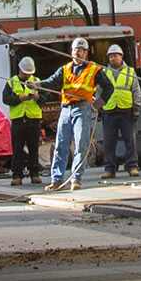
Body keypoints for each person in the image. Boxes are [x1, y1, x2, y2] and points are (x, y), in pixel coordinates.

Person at [50, 42, 103, 188]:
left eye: (81, 50)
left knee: (81, 144)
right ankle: (56, 180)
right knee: (61, 145)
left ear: (86, 53)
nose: (78, 53)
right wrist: (37, 84)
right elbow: (51, 82)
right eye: (76, 50)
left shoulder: (94, 69)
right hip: (66, 109)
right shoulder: (65, 69)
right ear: (71, 51)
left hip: (83, 107)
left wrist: (99, 103)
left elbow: (109, 87)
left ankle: (76, 179)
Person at [2, 59, 48, 185]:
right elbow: (5, 99)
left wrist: (37, 97)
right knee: (17, 149)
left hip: (33, 119)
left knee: (34, 148)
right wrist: (19, 98)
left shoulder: (37, 81)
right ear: (20, 70)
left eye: (29, 73)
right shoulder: (12, 82)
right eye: (25, 72)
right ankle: (17, 175)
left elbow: (45, 99)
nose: (28, 75)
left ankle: (35, 174)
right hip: (18, 120)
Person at [99, 49, 139, 179]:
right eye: (110, 56)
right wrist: (98, 107)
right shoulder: (104, 72)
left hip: (126, 109)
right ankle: (109, 169)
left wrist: (136, 107)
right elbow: (98, 90)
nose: (112, 58)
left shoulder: (130, 72)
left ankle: (132, 166)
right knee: (109, 142)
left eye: (115, 56)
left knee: (130, 140)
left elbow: (136, 91)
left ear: (121, 56)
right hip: (109, 110)